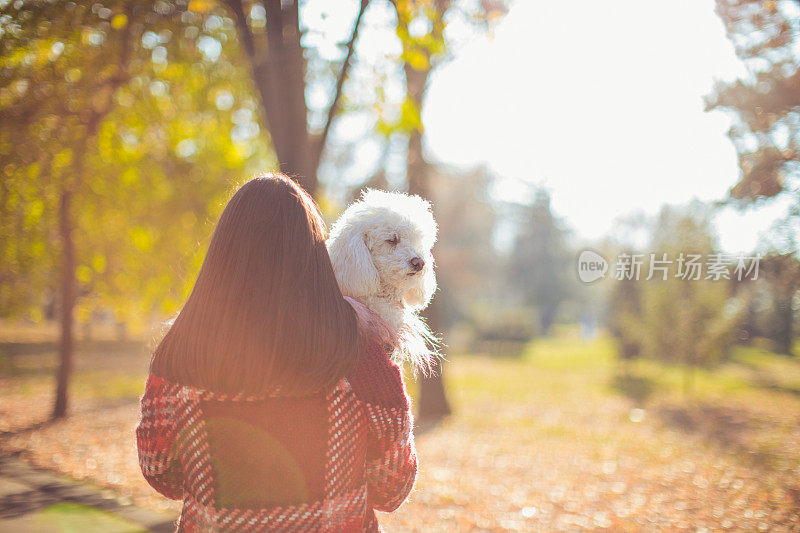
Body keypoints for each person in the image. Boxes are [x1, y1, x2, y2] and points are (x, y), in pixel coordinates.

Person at [136, 174, 417, 532]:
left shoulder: (181, 352)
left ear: (222, 254)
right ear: (314, 256)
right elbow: (392, 489)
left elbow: (159, 471)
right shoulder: (362, 357)